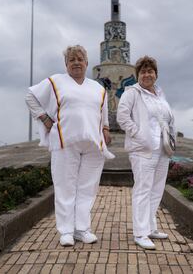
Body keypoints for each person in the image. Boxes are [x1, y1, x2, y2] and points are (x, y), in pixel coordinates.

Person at [25, 45, 114, 246]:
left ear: (86, 63)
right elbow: (30, 96)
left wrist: (106, 130)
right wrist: (44, 119)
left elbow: (103, 113)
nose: (76, 62)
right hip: (65, 142)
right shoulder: (56, 81)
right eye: (71, 59)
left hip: (93, 144)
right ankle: (66, 231)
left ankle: (82, 229)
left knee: (87, 188)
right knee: (65, 187)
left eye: (80, 59)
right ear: (66, 64)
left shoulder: (98, 88)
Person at [117, 55, 175, 249]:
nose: (147, 74)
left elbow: (167, 119)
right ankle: (140, 233)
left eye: (150, 71)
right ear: (138, 75)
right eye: (143, 71)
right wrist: (140, 136)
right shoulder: (132, 93)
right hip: (143, 149)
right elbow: (122, 117)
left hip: (163, 149)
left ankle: (150, 227)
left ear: (156, 74)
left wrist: (171, 139)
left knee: (156, 189)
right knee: (142, 189)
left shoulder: (160, 94)